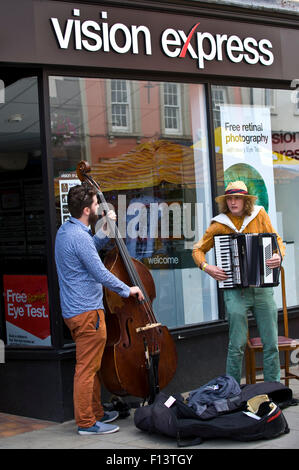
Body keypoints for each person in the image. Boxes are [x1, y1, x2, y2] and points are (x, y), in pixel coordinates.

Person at [55, 184, 144, 436]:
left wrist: (105, 228)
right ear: (86, 209)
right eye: (95, 204)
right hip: (87, 313)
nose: (98, 207)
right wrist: (128, 289)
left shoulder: (66, 231)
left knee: (90, 366)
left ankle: (96, 412)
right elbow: (99, 272)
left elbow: (88, 251)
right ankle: (86, 422)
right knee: (86, 369)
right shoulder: (79, 237)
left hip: (74, 311)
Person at [192, 180, 285, 384]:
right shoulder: (219, 224)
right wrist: (207, 267)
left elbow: (276, 240)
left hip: (262, 289)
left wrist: (278, 256)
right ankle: (231, 390)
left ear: (245, 201)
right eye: (230, 199)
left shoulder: (259, 215)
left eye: (237, 198)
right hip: (235, 292)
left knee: (271, 343)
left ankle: (274, 389)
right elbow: (197, 249)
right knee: (237, 344)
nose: (233, 202)